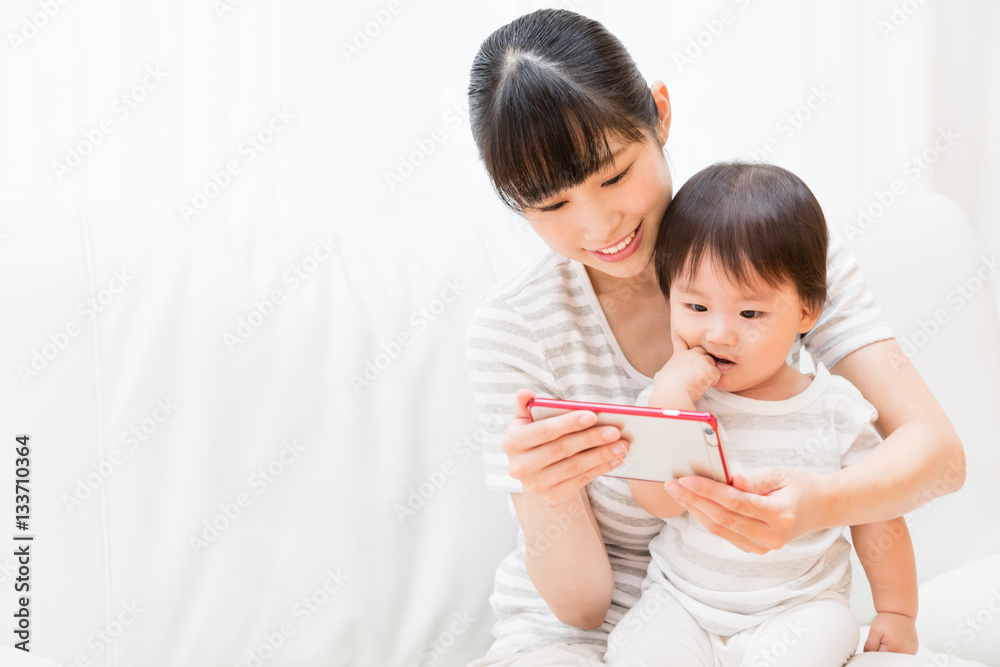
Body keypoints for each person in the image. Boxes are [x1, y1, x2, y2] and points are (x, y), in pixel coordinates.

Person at [464, 8, 963, 666]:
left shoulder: (770, 254)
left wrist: (819, 503)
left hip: (771, 616)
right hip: (590, 634)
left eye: (614, 174)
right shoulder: (515, 327)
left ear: (660, 116)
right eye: (551, 205)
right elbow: (581, 607)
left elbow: (940, 459)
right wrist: (546, 493)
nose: (598, 225)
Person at [602, 161, 918, 667]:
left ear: (807, 312)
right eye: (696, 307)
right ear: (669, 296)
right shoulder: (670, 398)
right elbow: (657, 503)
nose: (719, 333)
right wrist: (670, 403)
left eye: (750, 313)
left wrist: (898, 613)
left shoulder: (836, 408)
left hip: (799, 607)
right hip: (684, 603)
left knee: (817, 636)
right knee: (638, 649)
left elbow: (878, 517)